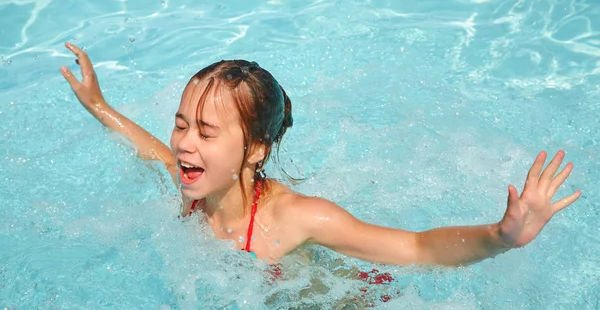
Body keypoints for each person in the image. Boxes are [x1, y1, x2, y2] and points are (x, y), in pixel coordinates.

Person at [60, 42, 581, 267]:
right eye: (180, 125)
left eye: (205, 131)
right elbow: (150, 151)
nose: (183, 143)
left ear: (255, 149)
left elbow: (417, 248)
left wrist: (501, 238)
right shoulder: (194, 181)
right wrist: (99, 106)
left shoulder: (298, 217)